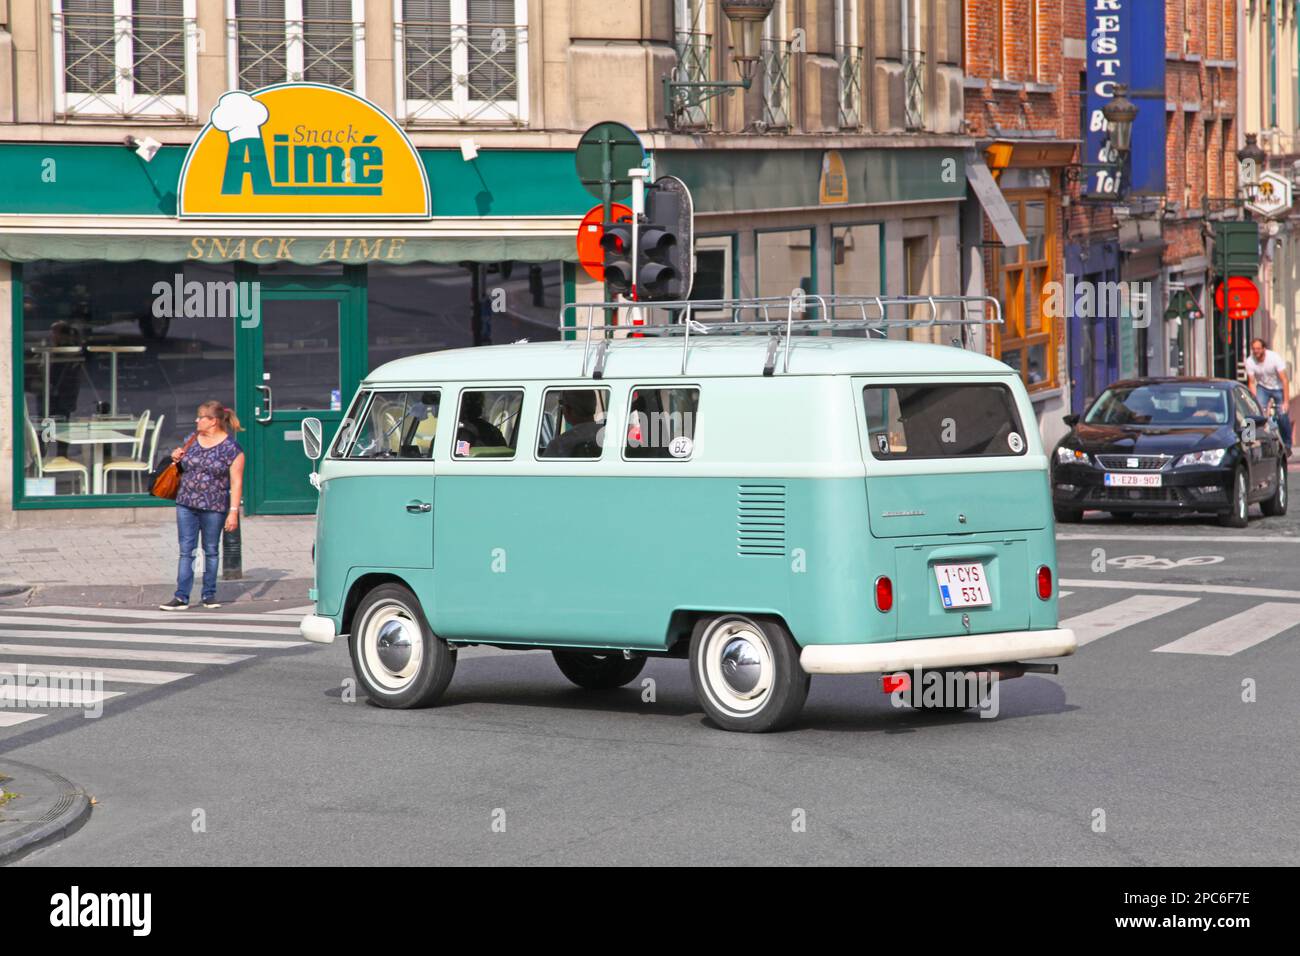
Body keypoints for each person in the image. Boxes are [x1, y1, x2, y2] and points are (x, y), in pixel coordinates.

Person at [159, 401, 245, 610]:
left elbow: (236, 482)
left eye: (201, 417)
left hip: (214, 506)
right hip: (186, 503)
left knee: (211, 551)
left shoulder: (232, 449)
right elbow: (181, 466)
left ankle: (209, 594)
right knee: (186, 550)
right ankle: (181, 597)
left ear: (213, 421)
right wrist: (176, 457)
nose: (196, 420)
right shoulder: (192, 439)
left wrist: (233, 513)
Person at [1246, 338, 1293, 456]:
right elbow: (1252, 383)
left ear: (1263, 349)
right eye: (1253, 349)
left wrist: (1286, 402)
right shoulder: (1250, 361)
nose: (1256, 351)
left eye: (1258, 349)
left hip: (1278, 388)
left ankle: (1287, 445)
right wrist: (1254, 402)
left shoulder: (1274, 358)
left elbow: (1284, 379)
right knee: (1257, 415)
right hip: (1262, 388)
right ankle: (1255, 444)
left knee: (1282, 415)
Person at [542, 391, 605, 458]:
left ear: (568, 408)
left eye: (561, 403)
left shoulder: (558, 446)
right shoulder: (609, 436)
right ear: (594, 406)